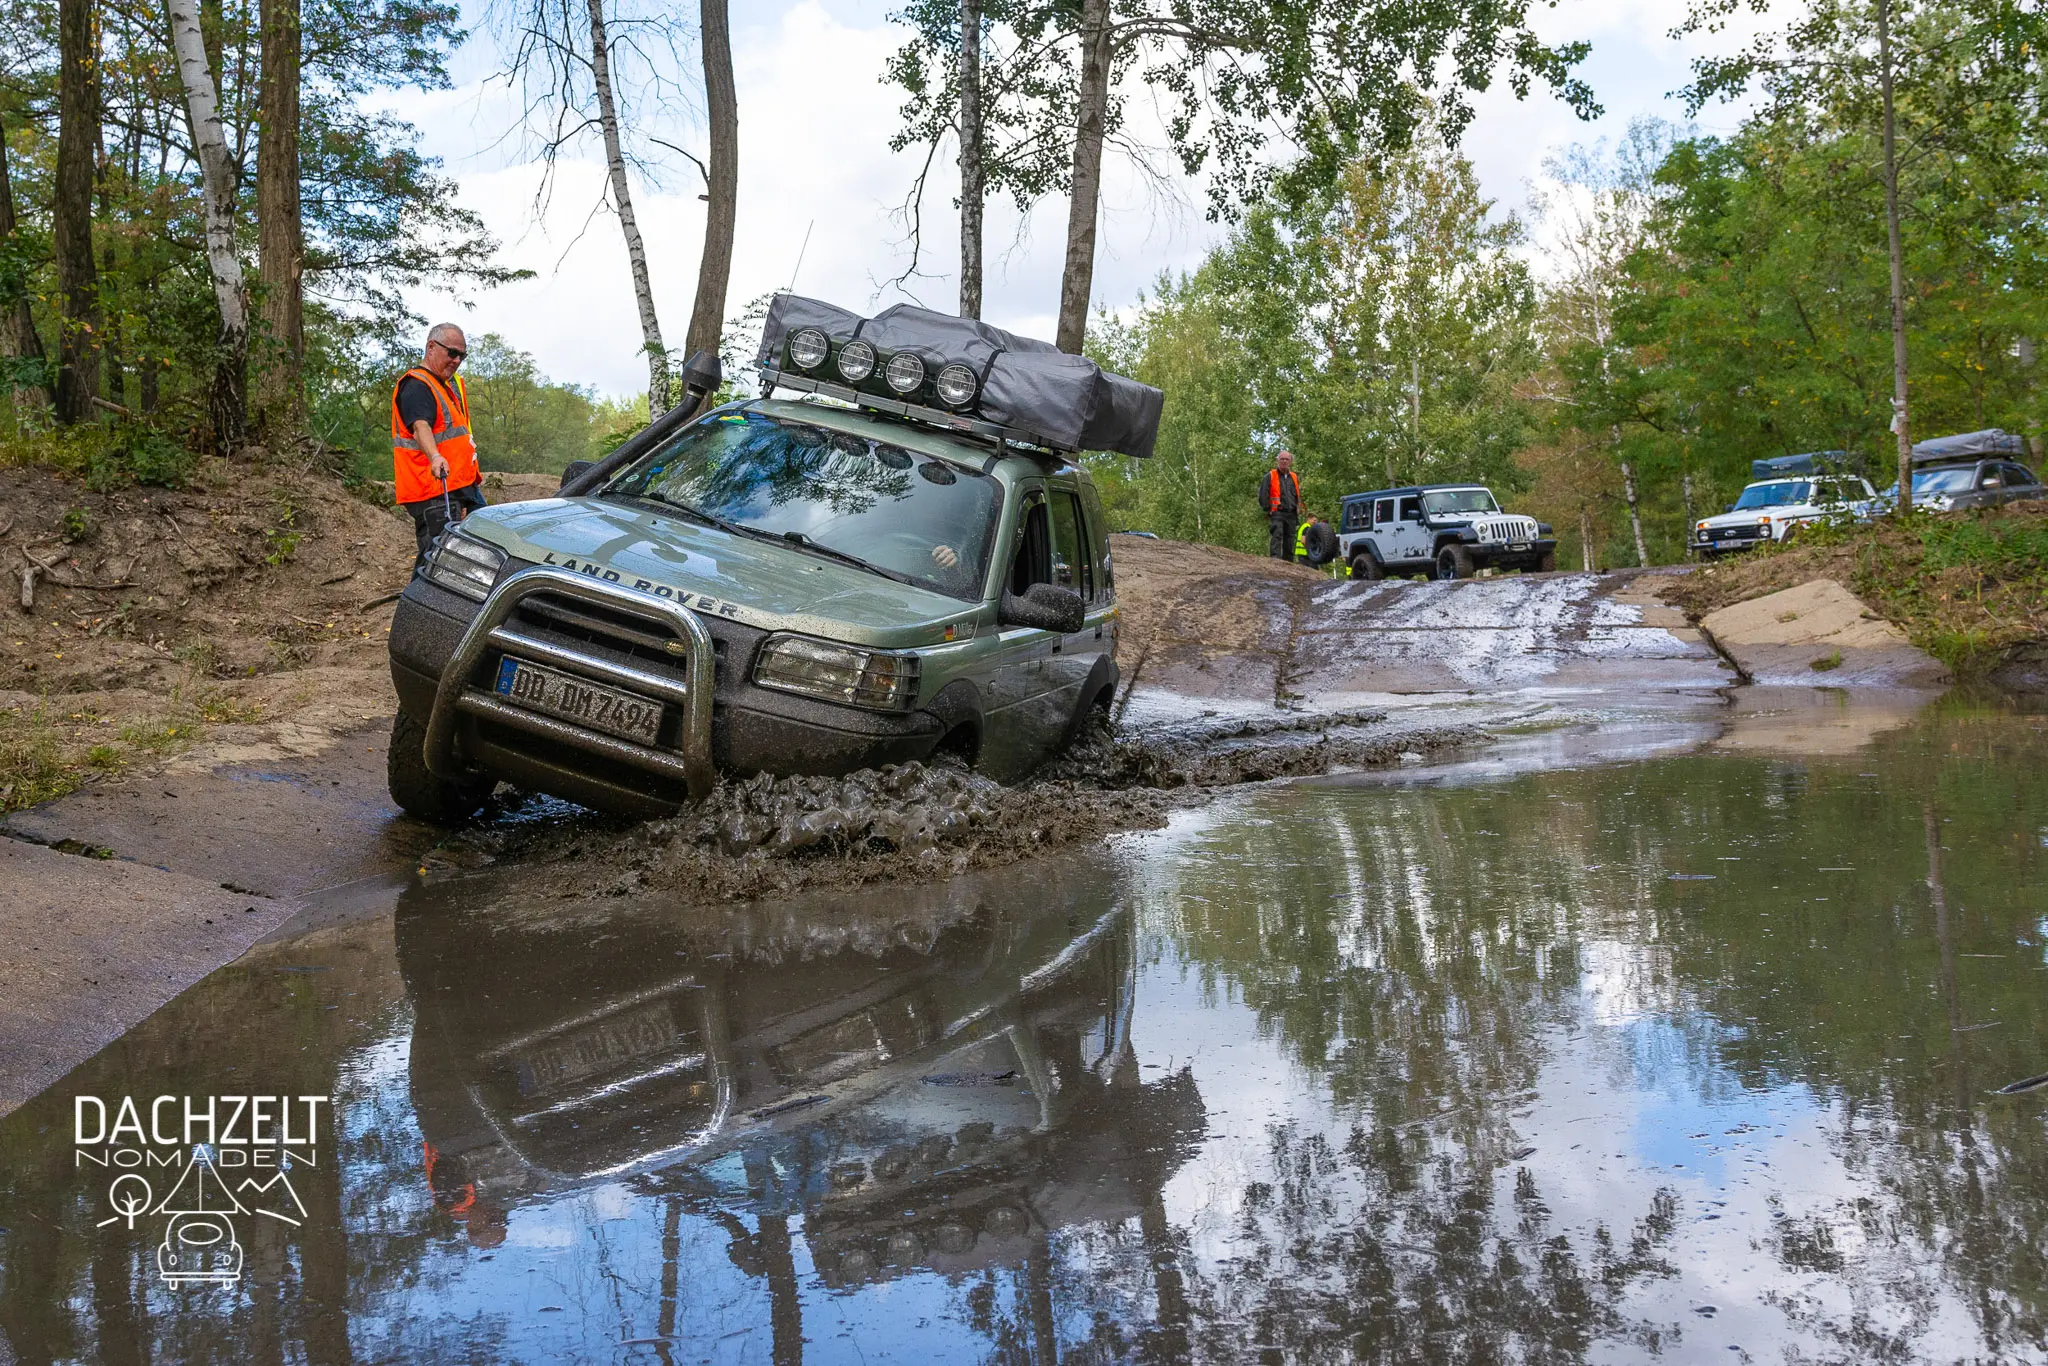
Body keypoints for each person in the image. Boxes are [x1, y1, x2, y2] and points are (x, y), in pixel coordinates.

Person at [393, 323, 485, 573]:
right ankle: (416, 610)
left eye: (462, 356)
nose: (456, 361)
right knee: (436, 562)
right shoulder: (416, 386)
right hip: (435, 490)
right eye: (452, 353)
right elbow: (420, 426)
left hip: (460, 487)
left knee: (477, 549)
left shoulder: (444, 387)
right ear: (431, 347)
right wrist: (434, 456)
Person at [1259, 450, 1301, 560]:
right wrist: (1268, 509)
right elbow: (1263, 493)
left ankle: (1289, 563)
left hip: (1291, 512)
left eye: (1286, 459)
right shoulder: (1270, 475)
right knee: (1277, 535)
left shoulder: (1294, 477)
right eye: (1282, 459)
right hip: (1277, 511)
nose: (1284, 461)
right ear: (1277, 460)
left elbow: (1297, 494)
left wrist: (1298, 507)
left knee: (1290, 539)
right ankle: (1275, 561)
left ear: (1290, 461)